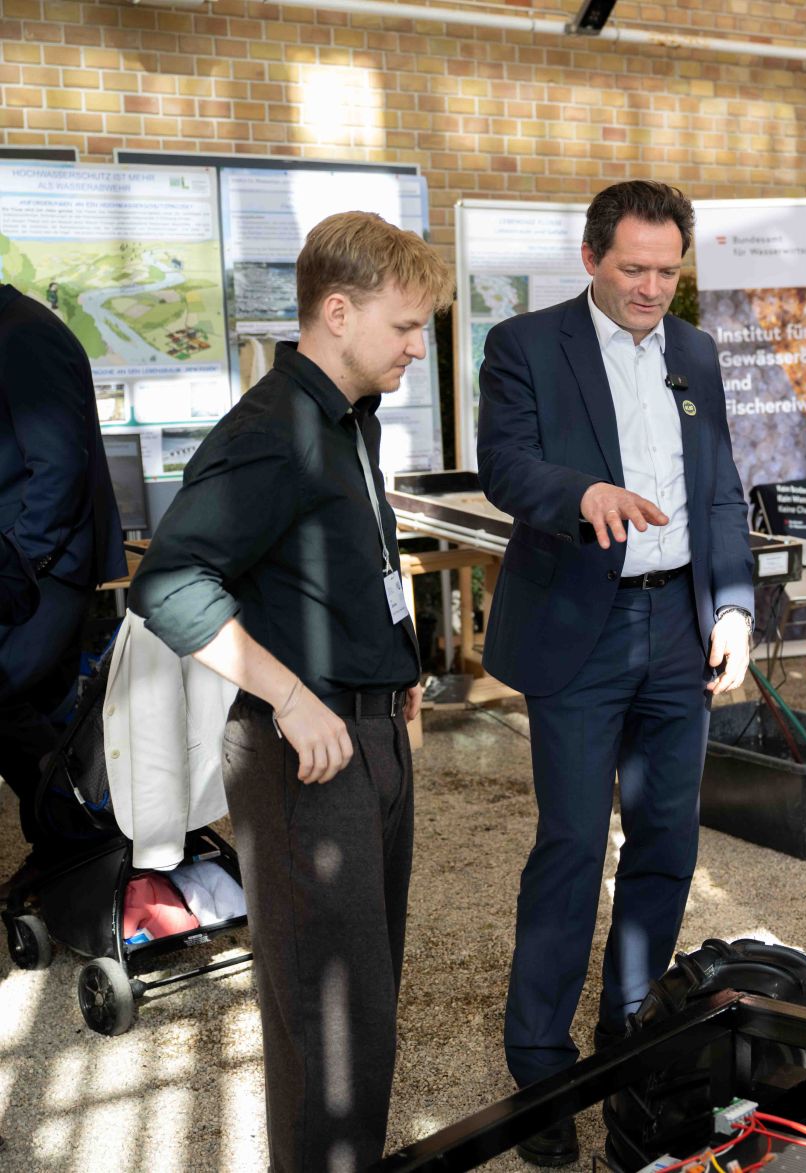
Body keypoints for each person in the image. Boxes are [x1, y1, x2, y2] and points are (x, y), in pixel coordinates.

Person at [130, 211, 451, 1171]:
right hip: (304, 753)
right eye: (402, 328)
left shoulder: (351, 416)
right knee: (330, 1030)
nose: (413, 348)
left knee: (365, 1013)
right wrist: (290, 695)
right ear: (338, 311)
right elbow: (169, 582)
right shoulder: (270, 430)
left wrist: (400, 671)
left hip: (371, 735)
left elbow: (346, 570)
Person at [476, 179, 754, 1167]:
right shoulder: (524, 346)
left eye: (665, 270)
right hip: (577, 630)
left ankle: (627, 1031)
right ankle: (541, 1064)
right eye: (631, 267)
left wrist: (732, 606)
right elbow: (504, 464)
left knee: (667, 838)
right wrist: (579, 490)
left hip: (678, 624)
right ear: (591, 256)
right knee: (569, 842)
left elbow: (719, 487)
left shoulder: (693, 352)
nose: (648, 287)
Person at [0, 281, 126, 895]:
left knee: (5, 698)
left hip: (41, 569)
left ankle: (89, 845)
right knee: (47, 713)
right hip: (30, 564)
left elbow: (57, 465)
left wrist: (24, 563)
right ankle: (75, 857)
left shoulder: (23, 334)